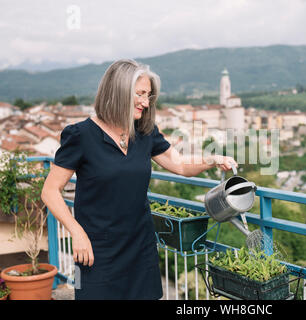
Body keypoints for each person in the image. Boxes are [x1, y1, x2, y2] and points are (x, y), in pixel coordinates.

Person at [41, 59, 238, 300]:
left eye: (149, 96)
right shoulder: (81, 135)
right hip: (96, 249)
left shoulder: (145, 133)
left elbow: (179, 164)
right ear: (119, 91)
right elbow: (50, 191)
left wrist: (213, 159)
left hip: (140, 245)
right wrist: (77, 232)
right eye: (141, 94)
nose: (146, 102)